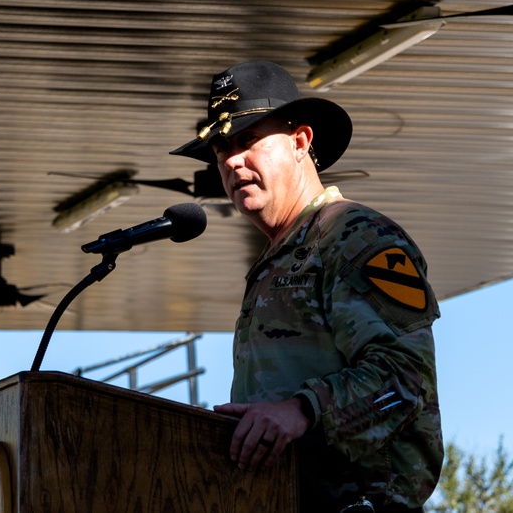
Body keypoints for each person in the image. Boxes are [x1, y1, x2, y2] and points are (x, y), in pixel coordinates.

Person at [170, 60, 443, 513]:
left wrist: (302, 410)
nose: (233, 160)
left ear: (300, 142)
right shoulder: (277, 258)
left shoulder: (356, 236)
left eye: (248, 140)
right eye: (222, 149)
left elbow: (406, 379)